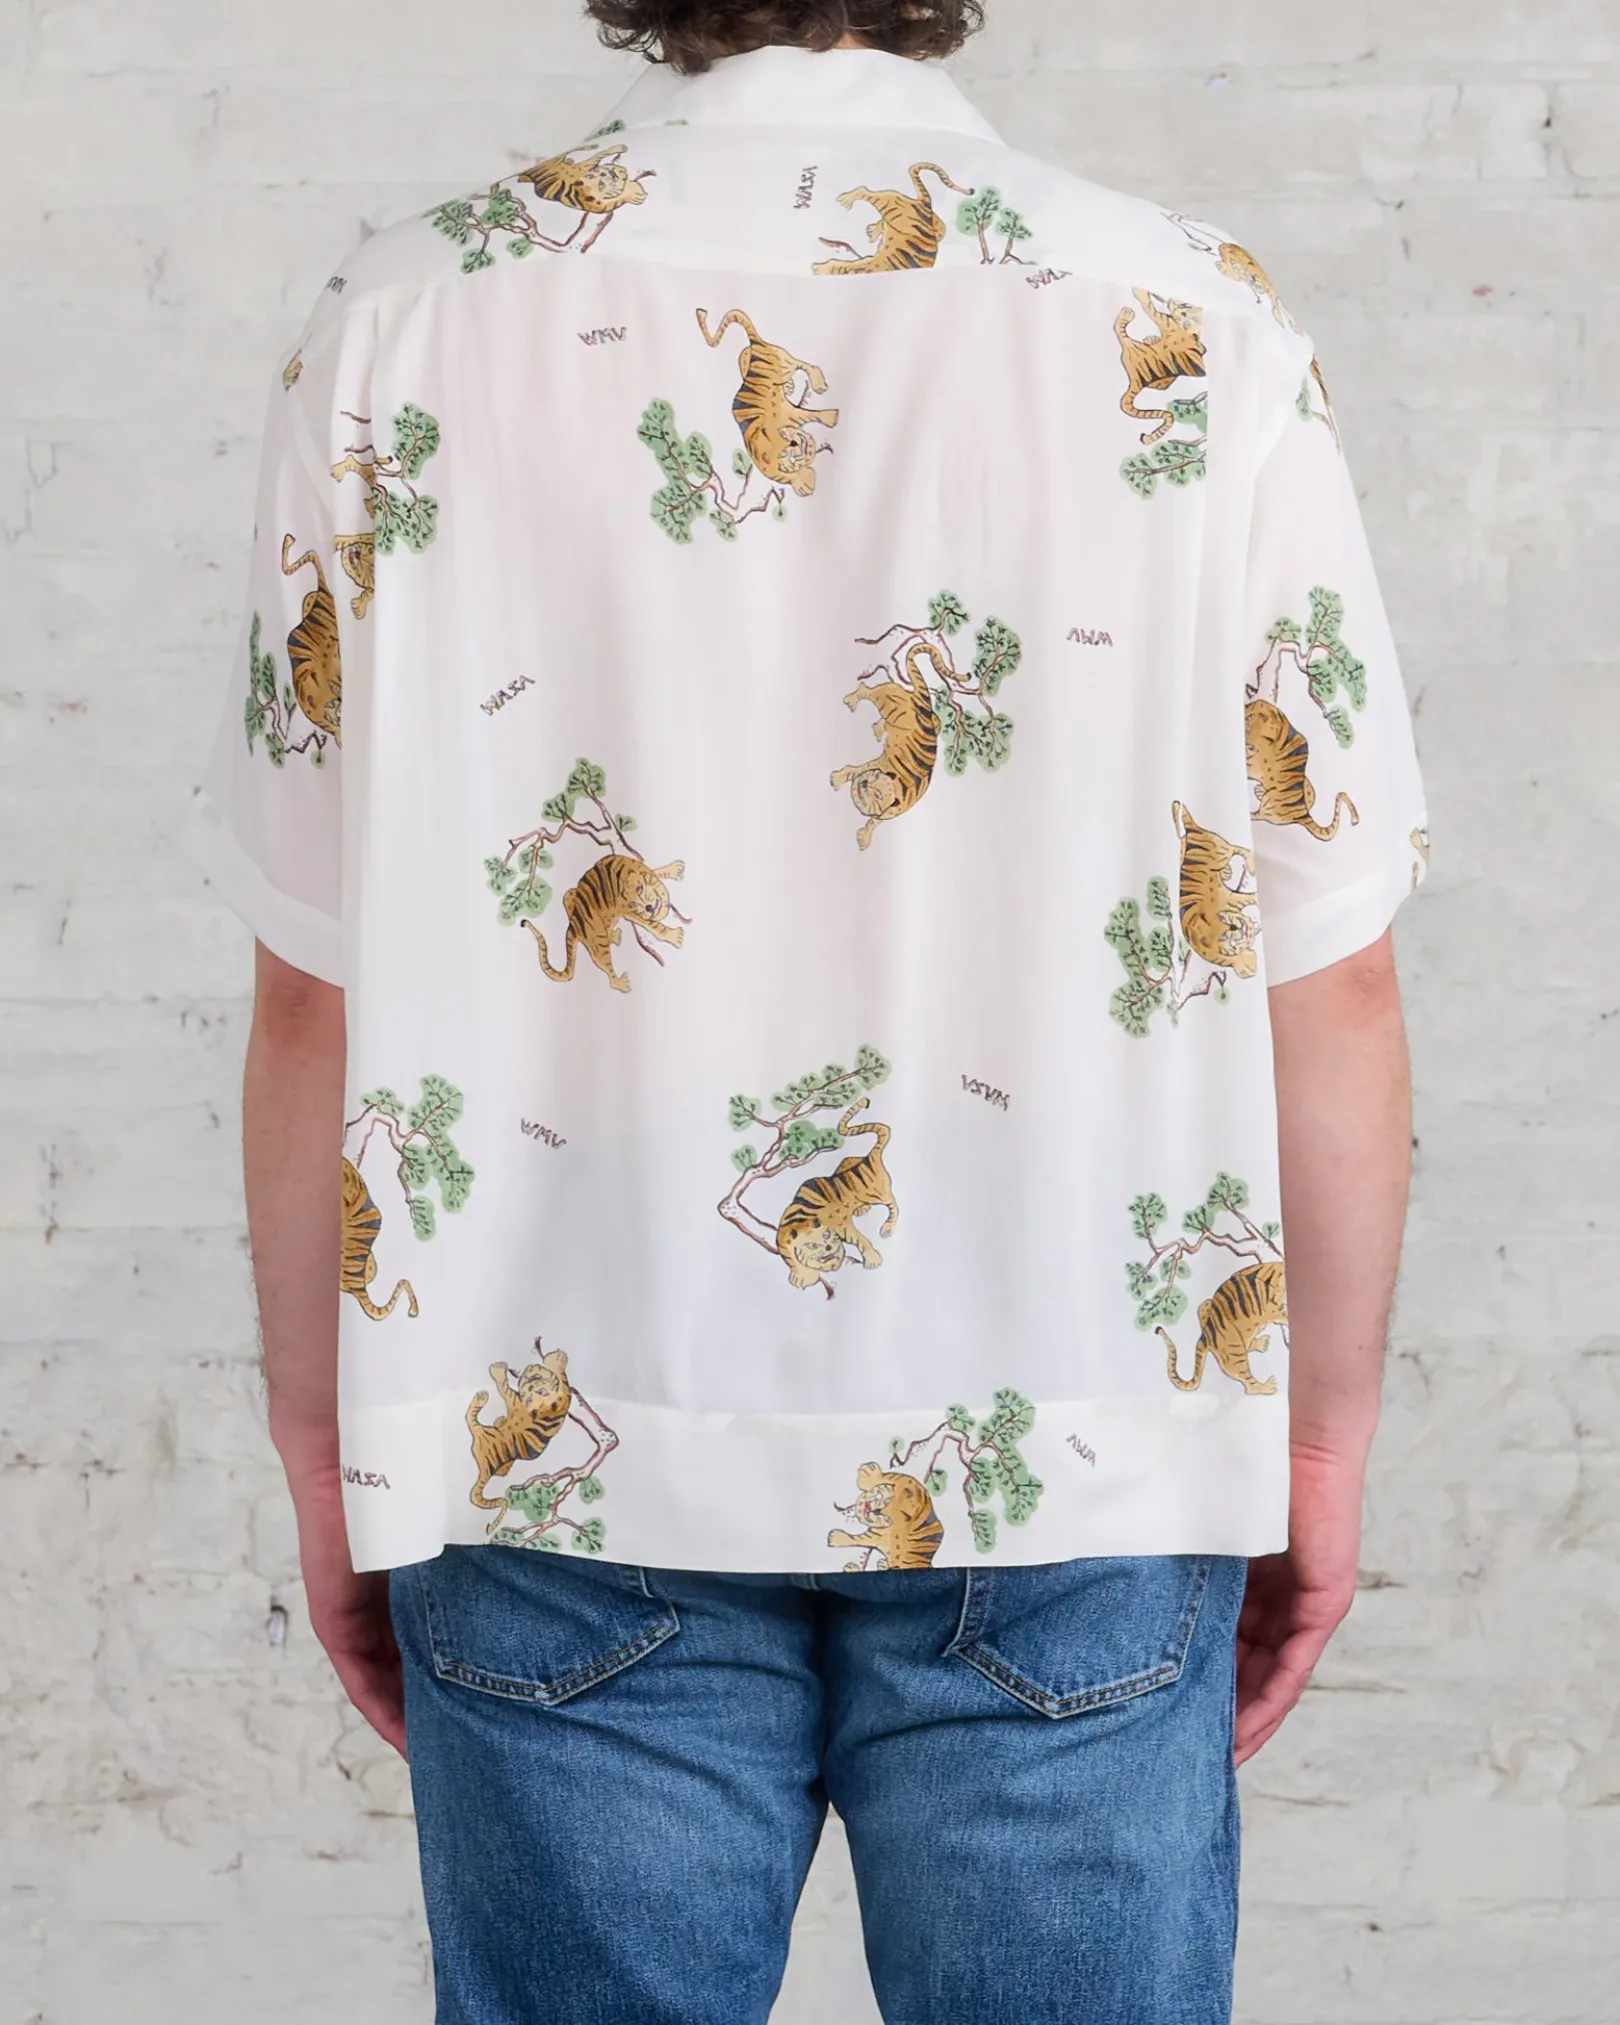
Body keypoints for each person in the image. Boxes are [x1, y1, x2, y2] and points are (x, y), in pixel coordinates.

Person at [181, 3, 1428, 2019]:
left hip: (552, 1420)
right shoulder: (1192, 315)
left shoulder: (406, 320)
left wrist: (331, 1443)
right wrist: (1319, 1447)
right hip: (1077, 1422)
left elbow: (316, 991)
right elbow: (1333, 969)